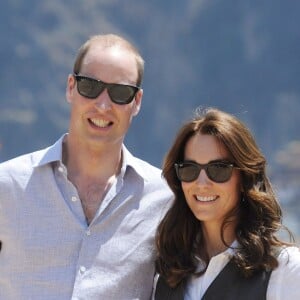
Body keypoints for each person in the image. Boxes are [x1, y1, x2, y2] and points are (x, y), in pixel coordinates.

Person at [0, 34, 173, 299]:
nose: (103, 105)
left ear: (136, 102)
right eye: (90, 86)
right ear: (71, 87)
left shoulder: (164, 200)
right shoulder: (7, 186)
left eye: (120, 93)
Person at [153, 107, 300, 299]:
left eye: (219, 168)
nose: (202, 183)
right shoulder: (165, 272)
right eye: (189, 169)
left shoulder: (285, 270)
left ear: (244, 177)